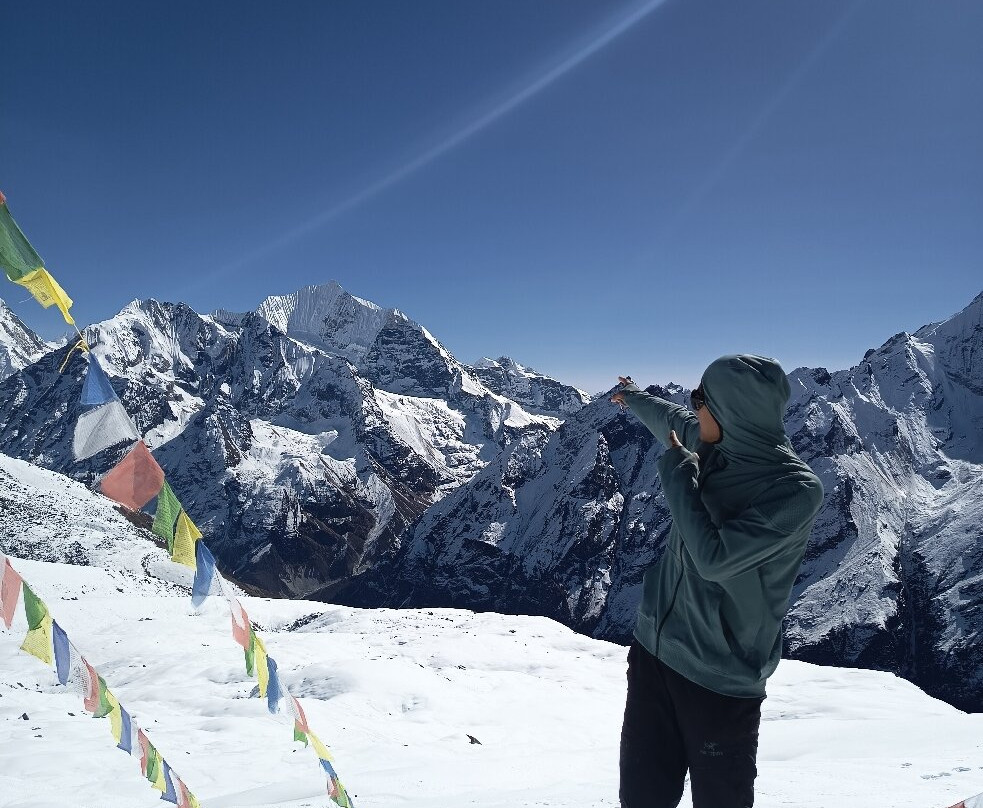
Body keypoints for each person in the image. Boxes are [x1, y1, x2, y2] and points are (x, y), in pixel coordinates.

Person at [610, 354, 824, 808]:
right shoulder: (715, 444)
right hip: (654, 654)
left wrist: (679, 474)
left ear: (730, 411)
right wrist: (632, 397)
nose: (694, 408)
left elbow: (714, 559)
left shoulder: (794, 491)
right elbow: (671, 419)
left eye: (700, 399)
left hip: (720, 679)